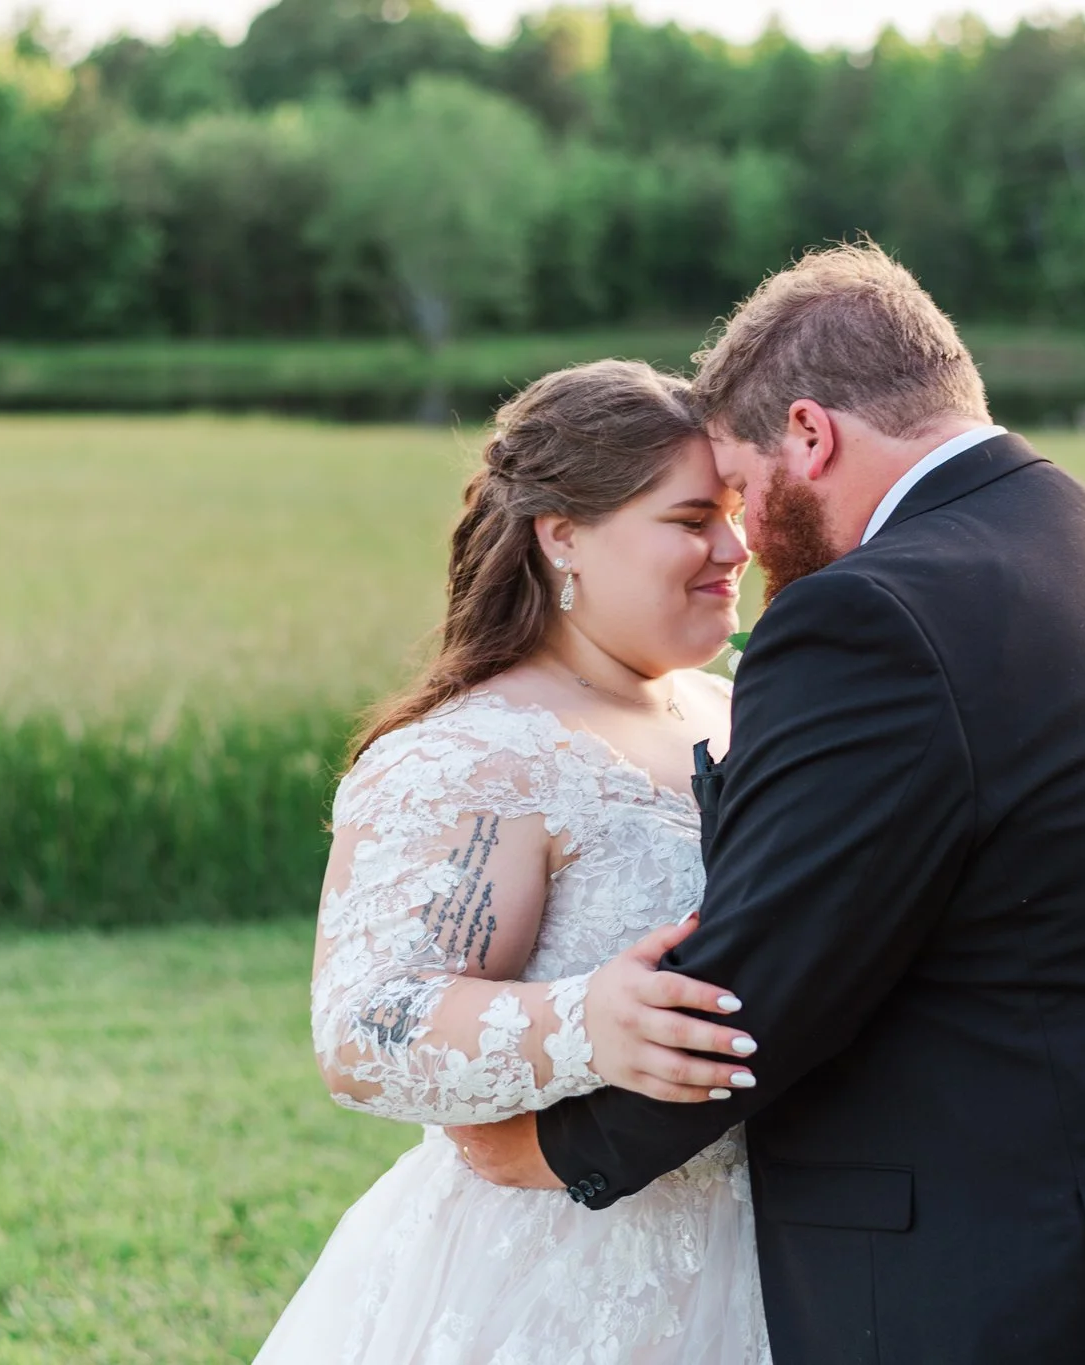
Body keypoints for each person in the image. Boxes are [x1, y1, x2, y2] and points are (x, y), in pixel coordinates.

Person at [456, 243, 1085, 1364]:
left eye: (741, 485)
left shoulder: (872, 619)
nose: (741, 540)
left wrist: (549, 1146)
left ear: (808, 434)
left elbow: (757, 989)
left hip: (1030, 1283)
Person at [252, 359, 775, 1364]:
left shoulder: (731, 707)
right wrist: (584, 1024)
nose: (732, 547)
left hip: (771, 1260)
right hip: (552, 1274)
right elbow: (365, 1029)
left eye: (734, 512)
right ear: (563, 534)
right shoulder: (472, 756)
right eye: (689, 519)